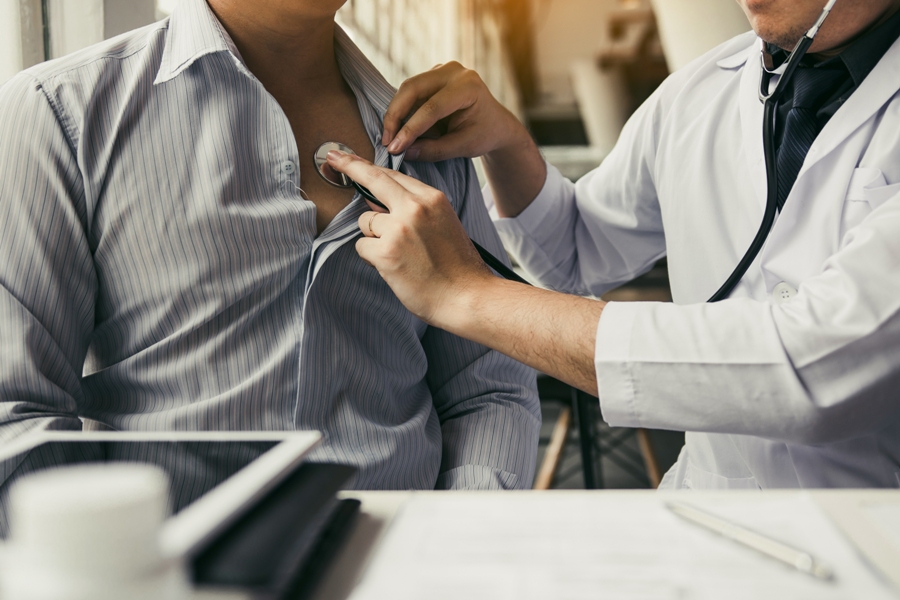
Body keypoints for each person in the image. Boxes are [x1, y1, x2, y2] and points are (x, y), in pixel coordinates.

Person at [325, 0, 900, 489]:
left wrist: (465, 294)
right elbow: (576, 254)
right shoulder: (698, 93)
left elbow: (813, 366)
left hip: (876, 532)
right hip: (708, 512)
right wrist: (507, 144)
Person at [0, 0, 541, 490]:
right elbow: (14, 413)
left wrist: (454, 544)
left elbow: (486, 389)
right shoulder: (59, 114)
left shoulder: (437, 141)